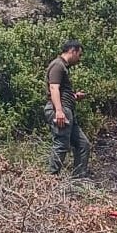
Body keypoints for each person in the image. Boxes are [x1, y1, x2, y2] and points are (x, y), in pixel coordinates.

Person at [46, 40, 90, 177]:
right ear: (73, 51)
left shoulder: (63, 67)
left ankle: (78, 180)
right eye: (79, 55)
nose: (79, 59)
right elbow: (54, 88)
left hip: (66, 109)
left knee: (83, 144)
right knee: (61, 145)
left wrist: (75, 96)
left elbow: (62, 91)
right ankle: (50, 179)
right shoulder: (58, 65)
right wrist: (59, 111)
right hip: (60, 110)